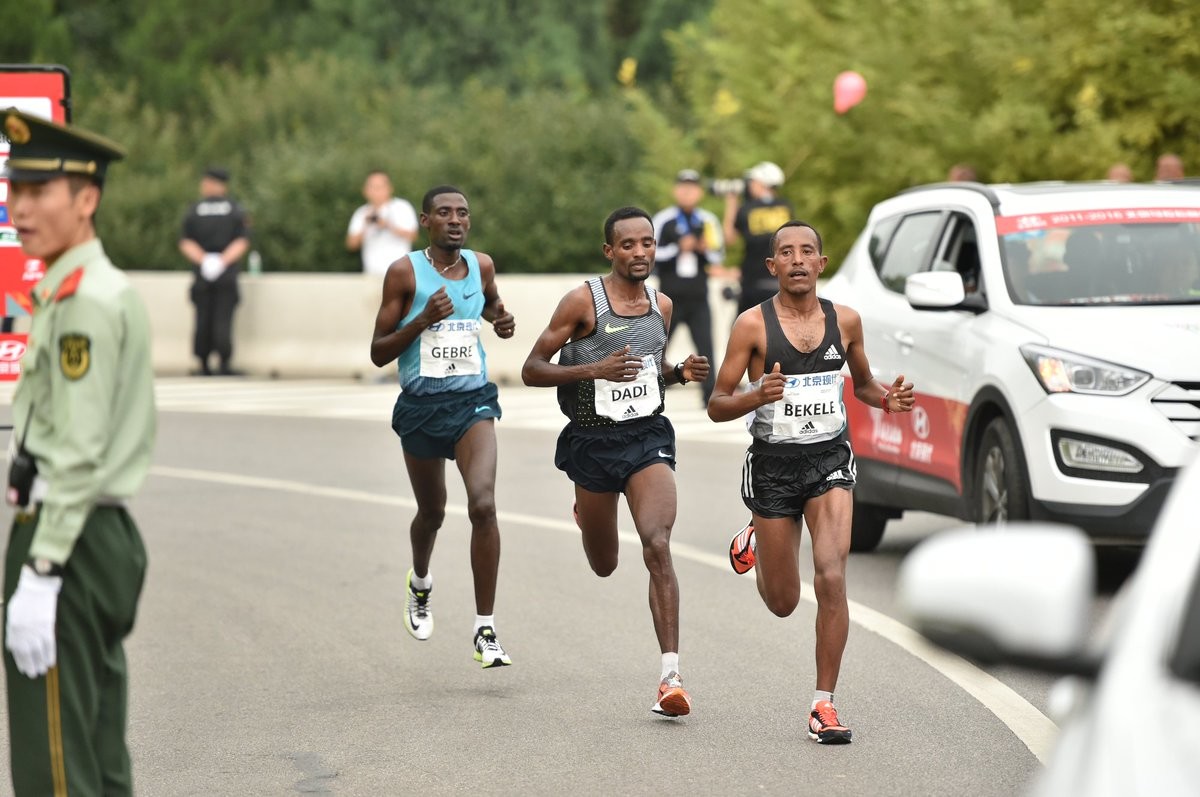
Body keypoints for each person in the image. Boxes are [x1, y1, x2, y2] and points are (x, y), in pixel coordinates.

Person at [707, 220, 915, 745]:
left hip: (829, 463)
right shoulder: (751, 326)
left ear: (821, 264)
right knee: (781, 601)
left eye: (807, 251)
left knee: (831, 575)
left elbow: (863, 383)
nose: (797, 260)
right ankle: (757, 532)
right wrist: (757, 396)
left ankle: (824, 704)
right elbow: (716, 404)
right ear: (771, 266)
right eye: (786, 253)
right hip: (773, 468)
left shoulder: (845, 321)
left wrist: (885, 398)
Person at [2, 108, 156, 796]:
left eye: (40, 192)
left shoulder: (85, 301)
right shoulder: (75, 288)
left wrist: (40, 567)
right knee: (95, 749)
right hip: (93, 534)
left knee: (55, 766)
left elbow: (81, 451)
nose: (20, 206)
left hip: (69, 538)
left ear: (86, 199)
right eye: (15, 188)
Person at [521, 206, 710, 718]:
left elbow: (646, 372)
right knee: (603, 565)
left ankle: (670, 675)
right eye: (627, 245)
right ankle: (587, 510)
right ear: (610, 251)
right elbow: (531, 369)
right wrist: (593, 367)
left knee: (657, 542)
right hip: (592, 443)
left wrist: (678, 373)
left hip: (647, 437)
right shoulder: (583, 301)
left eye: (646, 243)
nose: (639, 252)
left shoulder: (661, 305)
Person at [369, 185, 517, 668]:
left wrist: (501, 318)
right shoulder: (403, 273)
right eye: (445, 213)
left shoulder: (482, 265)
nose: (455, 220)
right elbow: (378, 352)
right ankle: (420, 582)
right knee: (431, 513)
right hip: (421, 408)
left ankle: (485, 628)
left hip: (473, 402)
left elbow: (492, 302)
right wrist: (422, 320)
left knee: (484, 505)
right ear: (426, 220)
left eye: (463, 214)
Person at [651, 169, 724, 404]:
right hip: (668, 296)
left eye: (692, 188)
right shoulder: (664, 219)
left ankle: (710, 397)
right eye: (683, 187)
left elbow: (718, 254)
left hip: (698, 295)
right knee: (656, 347)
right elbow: (650, 253)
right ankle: (651, 392)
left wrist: (703, 248)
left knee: (706, 348)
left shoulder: (708, 220)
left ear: (700, 192)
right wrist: (677, 248)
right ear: (675, 190)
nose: (687, 192)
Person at [179, 166, 251, 376]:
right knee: (222, 317)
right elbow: (242, 240)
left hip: (203, 271)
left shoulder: (194, 209)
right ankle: (223, 363)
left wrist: (204, 261)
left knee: (204, 317)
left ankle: (203, 362)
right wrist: (221, 261)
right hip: (225, 271)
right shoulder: (235, 209)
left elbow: (185, 241)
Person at [722, 161, 794, 314]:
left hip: (752, 282)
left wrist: (731, 204)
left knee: (743, 332)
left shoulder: (748, 208)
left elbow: (729, 239)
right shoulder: (786, 207)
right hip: (782, 281)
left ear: (762, 183)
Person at [346, 169, 419, 276]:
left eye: (379, 187)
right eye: (372, 187)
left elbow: (413, 236)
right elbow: (351, 245)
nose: (376, 191)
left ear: (389, 188)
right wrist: (366, 225)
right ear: (365, 191)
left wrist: (388, 225)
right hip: (371, 273)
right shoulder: (362, 213)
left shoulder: (402, 207)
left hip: (400, 273)